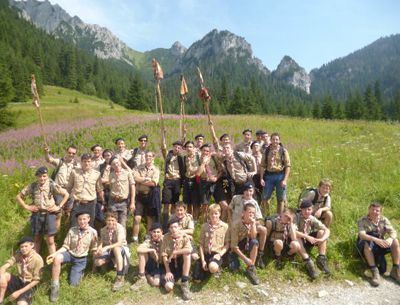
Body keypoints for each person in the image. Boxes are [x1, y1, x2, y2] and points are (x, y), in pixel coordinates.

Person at [16, 167, 69, 254]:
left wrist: (59, 206)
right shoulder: (33, 186)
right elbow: (18, 196)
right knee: (37, 239)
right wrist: (26, 206)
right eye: (40, 176)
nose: (42, 178)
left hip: (49, 214)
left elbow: (66, 194)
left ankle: (53, 261)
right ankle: (36, 262)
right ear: (37, 177)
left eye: (44, 176)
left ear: (47, 175)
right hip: (37, 215)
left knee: (50, 240)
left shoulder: (52, 185)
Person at [47, 210, 98, 302]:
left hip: (81, 259)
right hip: (70, 254)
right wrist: (54, 254)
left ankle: (77, 271)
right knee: (58, 258)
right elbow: (66, 246)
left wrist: (94, 265)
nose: (82, 221)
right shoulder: (72, 230)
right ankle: (55, 286)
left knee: (73, 284)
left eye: (84, 219)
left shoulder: (93, 232)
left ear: (88, 219)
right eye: (80, 219)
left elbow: (94, 249)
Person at [357, 202, 400, 287]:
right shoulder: (362, 219)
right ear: (369, 209)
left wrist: (390, 239)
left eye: (377, 210)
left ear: (380, 212)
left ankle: (396, 270)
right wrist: (375, 240)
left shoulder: (384, 220)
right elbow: (361, 235)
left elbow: (393, 232)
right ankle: (374, 271)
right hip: (367, 241)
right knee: (366, 244)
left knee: (395, 241)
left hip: (380, 241)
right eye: (372, 209)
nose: (374, 212)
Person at [228, 183, 267, 268]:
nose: (248, 193)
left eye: (250, 191)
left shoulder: (254, 203)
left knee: (263, 230)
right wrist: (230, 219)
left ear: (253, 191)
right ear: (243, 191)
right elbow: (229, 208)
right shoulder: (236, 198)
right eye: (247, 191)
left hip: (250, 224)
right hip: (237, 224)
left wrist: (251, 224)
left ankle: (260, 254)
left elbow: (258, 218)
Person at [44, 145, 80, 230]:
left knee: (68, 213)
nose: (71, 155)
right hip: (59, 190)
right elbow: (49, 159)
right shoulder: (59, 162)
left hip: (70, 190)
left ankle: (65, 230)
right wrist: (46, 153)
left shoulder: (77, 165)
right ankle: (56, 232)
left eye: (73, 154)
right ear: (66, 152)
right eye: (69, 153)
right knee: (58, 213)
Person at [0, 236, 44, 305]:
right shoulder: (19, 255)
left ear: (32, 245)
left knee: (21, 304)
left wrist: (19, 292)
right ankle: (1, 301)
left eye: (26, 246)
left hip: (29, 284)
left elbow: (36, 280)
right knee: (4, 275)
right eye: (22, 247)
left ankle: (21, 298)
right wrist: (2, 277)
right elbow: (3, 267)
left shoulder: (38, 259)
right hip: (20, 280)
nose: (23, 249)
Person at [193, 204, 230, 283]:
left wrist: (219, 255)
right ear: (209, 214)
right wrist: (203, 260)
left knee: (212, 267)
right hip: (206, 254)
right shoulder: (204, 226)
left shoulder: (225, 226)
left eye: (216, 213)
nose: (214, 216)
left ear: (220, 214)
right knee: (197, 280)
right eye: (212, 213)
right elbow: (201, 244)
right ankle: (206, 269)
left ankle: (214, 269)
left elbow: (227, 245)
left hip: (216, 255)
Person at [66, 153, 105, 228]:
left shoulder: (96, 174)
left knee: (90, 226)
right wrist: (66, 202)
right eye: (85, 161)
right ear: (81, 162)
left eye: (89, 161)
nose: (87, 163)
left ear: (91, 162)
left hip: (90, 203)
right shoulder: (75, 172)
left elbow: (100, 189)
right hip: (78, 203)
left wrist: (103, 203)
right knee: (74, 225)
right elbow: (69, 187)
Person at [295, 200, 331, 279]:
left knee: (322, 232)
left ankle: (321, 259)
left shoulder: (312, 218)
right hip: (298, 241)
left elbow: (327, 230)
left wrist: (322, 239)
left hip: (308, 240)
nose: (307, 211)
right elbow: (293, 232)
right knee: (296, 236)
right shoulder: (296, 217)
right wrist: (307, 236)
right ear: (301, 209)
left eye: (309, 209)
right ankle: (308, 262)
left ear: (312, 210)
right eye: (304, 209)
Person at [93, 211, 128, 291]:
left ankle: (119, 276)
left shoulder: (119, 228)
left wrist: (107, 247)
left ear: (116, 221)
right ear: (106, 220)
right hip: (108, 250)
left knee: (116, 249)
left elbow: (119, 243)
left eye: (112, 220)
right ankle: (110, 262)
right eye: (108, 220)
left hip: (120, 248)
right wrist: (98, 250)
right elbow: (101, 243)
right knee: (97, 262)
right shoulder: (103, 230)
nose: (110, 222)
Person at [160, 218, 192, 300]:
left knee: (187, 254)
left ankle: (184, 282)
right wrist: (167, 271)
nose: (173, 229)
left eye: (175, 227)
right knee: (169, 287)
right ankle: (171, 277)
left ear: (179, 227)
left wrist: (175, 252)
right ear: (169, 229)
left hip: (180, 261)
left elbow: (189, 249)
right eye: (171, 227)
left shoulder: (184, 237)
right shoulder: (165, 238)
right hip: (170, 263)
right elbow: (164, 255)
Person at [132, 151, 160, 243]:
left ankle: (147, 238)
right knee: (137, 218)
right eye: (146, 156)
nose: (148, 158)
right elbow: (135, 178)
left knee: (149, 217)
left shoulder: (156, 169)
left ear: (153, 158)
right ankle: (135, 239)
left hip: (150, 195)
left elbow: (153, 183)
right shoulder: (139, 168)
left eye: (150, 156)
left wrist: (141, 180)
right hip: (140, 195)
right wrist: (147, 179)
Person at [195, 143, 228, 223]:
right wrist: (203, 162)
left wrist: (216, 178)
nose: (206, 153)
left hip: (215, 183)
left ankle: (221, 225)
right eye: (204, 151)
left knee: (225, 206)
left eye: (207, 151)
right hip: (204, 183)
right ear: (200, 151)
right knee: (204, 208)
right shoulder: (197, 159)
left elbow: (221, 171)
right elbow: (198, 174)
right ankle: (205, 226)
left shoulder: (213, 158)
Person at [259, 132, 291, 215]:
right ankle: (264, 217)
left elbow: (287, 166)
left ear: (279, 140)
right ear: (271, 140)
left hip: (280, 175)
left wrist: (285, 180)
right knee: (264, 198)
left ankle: (279, 217)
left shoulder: (283, 151)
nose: (275, 141)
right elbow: (262, 165)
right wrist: (261, 178)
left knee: (280, 199)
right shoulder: (267, 151)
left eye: (277, 139)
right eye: (273, 139)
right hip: (269, 176)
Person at [229, 204, 259, 285]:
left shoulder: (252, 222)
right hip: (236, 246)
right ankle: (232, 259)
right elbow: (234, 246)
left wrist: (253, 225)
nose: (251, 215)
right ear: (243, 212)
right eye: (249, 212)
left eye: (253, 213)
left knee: (255, 242)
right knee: (234, 270)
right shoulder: (236, 224)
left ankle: (251, 268)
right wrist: (245, 259)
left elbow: (253, 237)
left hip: (247, 242)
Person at [160, 134, 184, 231]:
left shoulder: (181, 158)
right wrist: (164, 134)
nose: (177, 149)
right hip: (168, 180)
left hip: (177, 181)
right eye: (175, 147)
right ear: (172, 147)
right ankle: (166, 224)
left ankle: (173, 223)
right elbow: (163, 146)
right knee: (166, 203)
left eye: (179, 148)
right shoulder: (167, 156)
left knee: (174, 204)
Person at [131, 222, 164, 290]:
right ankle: (142, 277)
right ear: (151, 232)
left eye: (158, 232)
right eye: (154, 232)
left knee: (156, 283)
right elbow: (138, 250)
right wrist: (152, 250)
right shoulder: (149, 241)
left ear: (161, 232)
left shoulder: (165, 239)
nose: (156, 234)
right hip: (152, 263)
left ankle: (146, 275)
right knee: (142, 253)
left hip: (162, 264)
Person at [108, 156, 136, 234]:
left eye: (117, 162)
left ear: (120, 162)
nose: (116, 165)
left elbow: (132, 187)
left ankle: (123, 243)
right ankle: (112, 241)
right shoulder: (111, 175)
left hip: (123, 202)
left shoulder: (127, 173)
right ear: (112, 166)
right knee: (112, 223)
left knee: (122, 224)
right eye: (114, 164)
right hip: (113, 201)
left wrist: (132, 202)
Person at [95, 149, 115, 233]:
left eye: (109, 155)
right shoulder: (100, 166)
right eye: (105, 156)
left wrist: (106, 181)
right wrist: (106, 181)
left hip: (112, 191)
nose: (107, 157)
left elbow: (114, 180)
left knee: (111, 212)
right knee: (100, 212)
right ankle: (99, 233)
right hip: (101, 191)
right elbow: (97, 179)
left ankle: (111, 233)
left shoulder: (115, 166)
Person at [182, 141, 201, 222]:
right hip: (187, 180)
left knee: (196, 202)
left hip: (195, 180)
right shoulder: (184, 158)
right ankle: (190, 219)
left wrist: (196, 171)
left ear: (194, 148)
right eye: (187, 147)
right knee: (188, 202)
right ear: (185, 149)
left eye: (190, 147)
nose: (189, 148)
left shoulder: (198, 157)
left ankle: (196, 220)